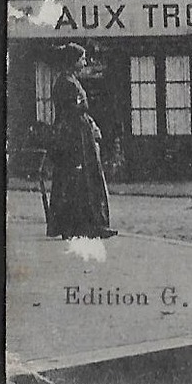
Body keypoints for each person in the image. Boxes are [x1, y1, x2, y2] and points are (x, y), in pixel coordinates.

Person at [45, 43, 116, 240]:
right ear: (73, 61)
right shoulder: (66, 83)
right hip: (74, 136)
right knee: (77, 179)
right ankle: (82, 226)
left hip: (79, 133)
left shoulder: (71, 81)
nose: (84, 62)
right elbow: (71, 111)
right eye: (82, 58)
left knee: (83, 179)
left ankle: (87, 225)